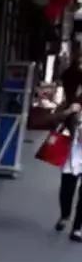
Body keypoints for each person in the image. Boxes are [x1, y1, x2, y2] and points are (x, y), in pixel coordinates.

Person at [55, 100, 82, 242]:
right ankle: (65, 215)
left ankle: (77, 228)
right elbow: (54, 118)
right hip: (72, 158)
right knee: (66, 191)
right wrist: (70, 111)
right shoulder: (74, 103)